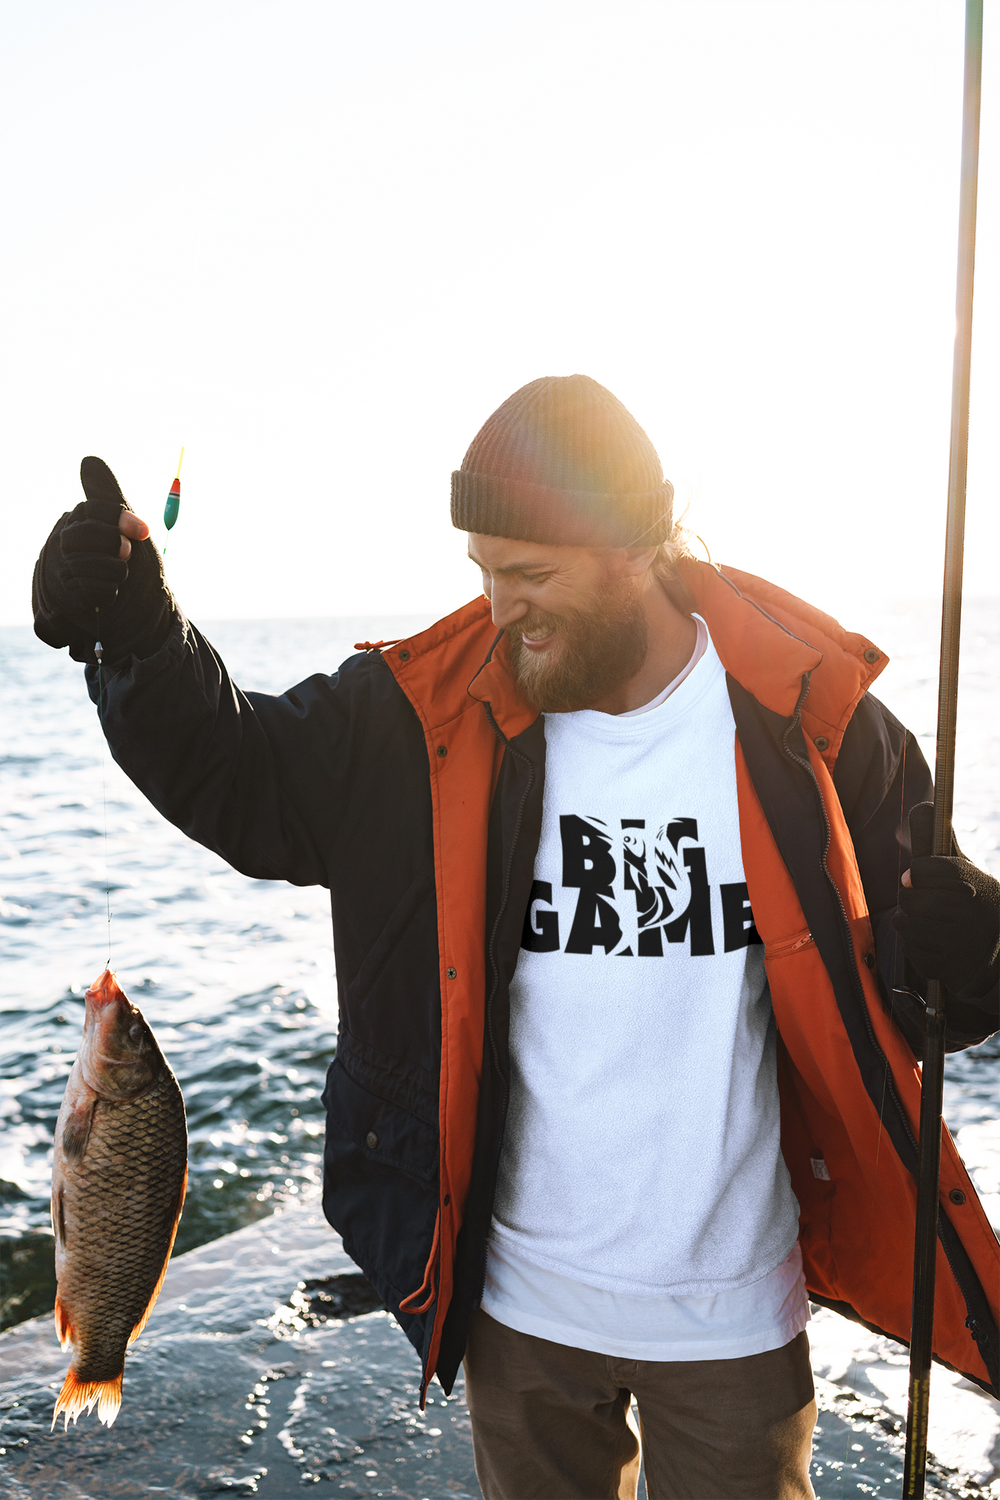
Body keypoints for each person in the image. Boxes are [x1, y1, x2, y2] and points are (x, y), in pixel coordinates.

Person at [32, 375, 1000, 1499]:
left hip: (735, 1313)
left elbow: (919, 992)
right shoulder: (425, 712)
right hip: (517, 1312)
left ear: (637, 545)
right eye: (484, 573)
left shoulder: (811, 717)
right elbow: (241, 772)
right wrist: (141, 637)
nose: (500, 607)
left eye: (529, 576)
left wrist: (978, 953)